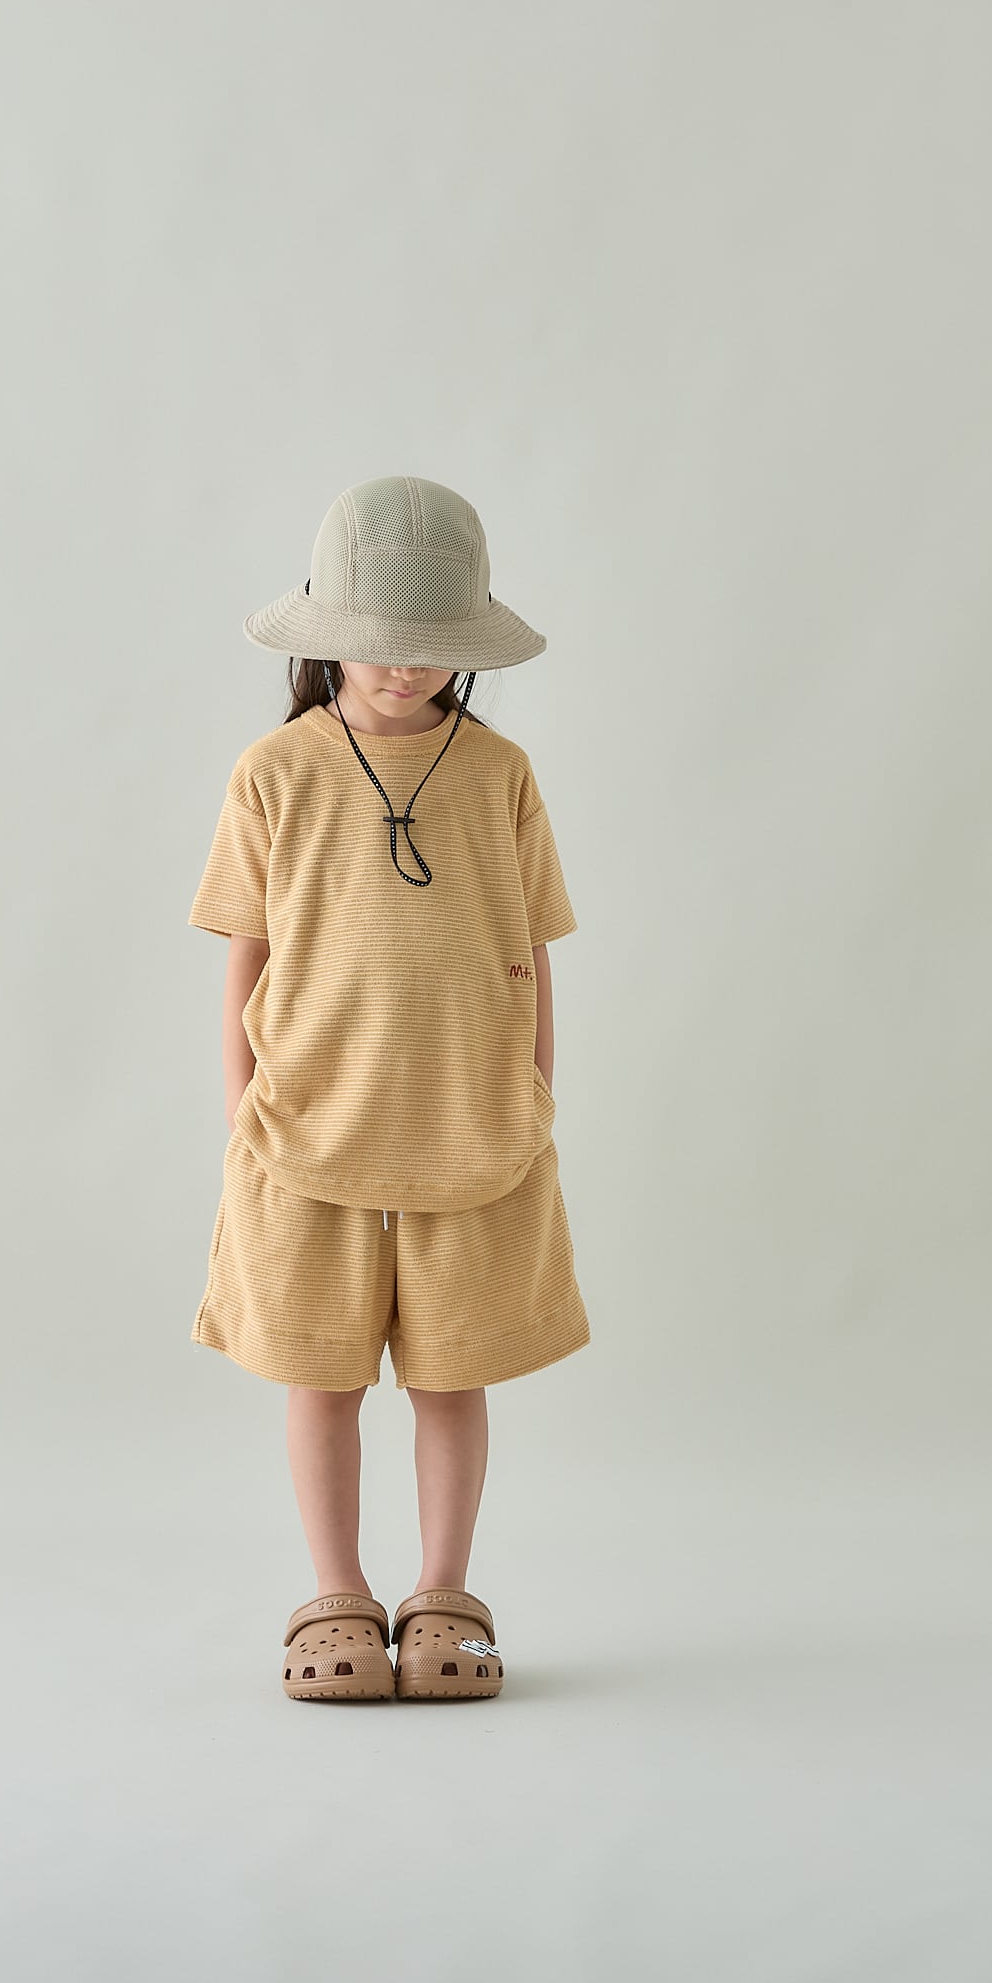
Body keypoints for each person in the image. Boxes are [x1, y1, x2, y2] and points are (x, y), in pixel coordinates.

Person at [187, 474, 589, 1703]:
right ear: (327, 634)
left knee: (453, 1372)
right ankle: (337, 1592)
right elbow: (246, 951)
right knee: (321, 1373)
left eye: (430, 643)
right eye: (378, 640)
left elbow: (530, 947)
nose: (404, 667)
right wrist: (241, 1108)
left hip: (472, 1129)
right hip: (304, 1128)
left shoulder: (499, 772)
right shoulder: (275, 771)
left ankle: (442, 1593)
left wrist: (532, 1097)